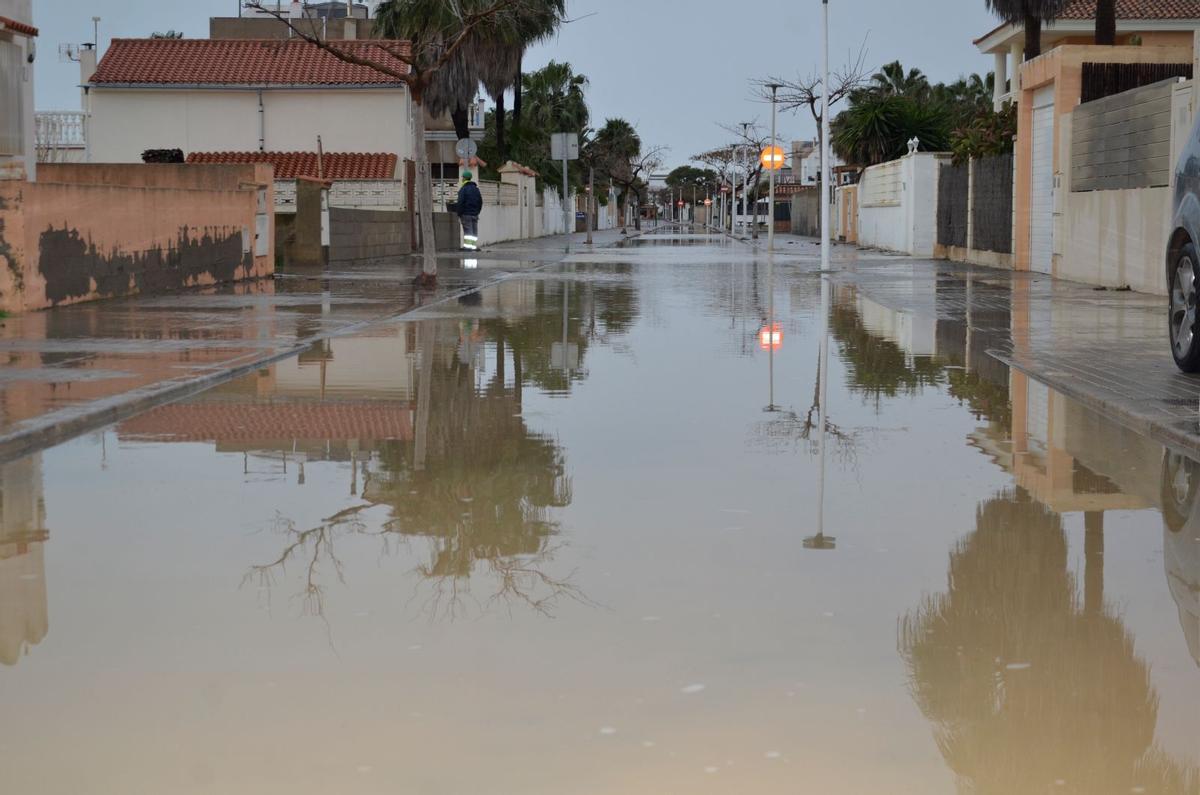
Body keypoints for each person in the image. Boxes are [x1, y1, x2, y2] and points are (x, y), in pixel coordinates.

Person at [456, 170, 483, 251]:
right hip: (475, 214)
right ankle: (473, 246)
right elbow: (480, 202)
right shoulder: (476, 189)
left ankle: (468, 247)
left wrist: (459, 213)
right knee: (474, 231)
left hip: (466, 214)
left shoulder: (463, 189)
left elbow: (460, 202)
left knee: (468, 231)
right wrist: (477, 212)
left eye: (462, 177)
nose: (462, 179)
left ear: (464, 178)